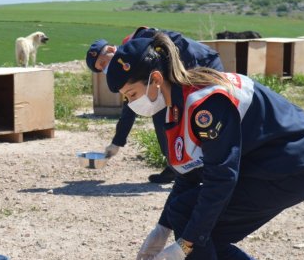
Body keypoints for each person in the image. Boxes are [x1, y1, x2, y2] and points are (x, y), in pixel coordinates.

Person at [103, 31, 304, 260]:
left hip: (288, 167)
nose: (131, 103)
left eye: (131, 93)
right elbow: (189, 174)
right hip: (266, 166)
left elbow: (221, 178)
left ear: (155, 79)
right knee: (202, 236)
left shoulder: (204, 101)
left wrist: (184, 245)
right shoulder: (173, 102)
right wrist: (162, 229)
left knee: (197, 232)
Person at [86, 27, 223, 183]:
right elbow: (129, 108)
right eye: (101, 69)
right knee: (160, 112)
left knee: (199, 117)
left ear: (111, 49)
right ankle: (176, 164)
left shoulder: (136, 51)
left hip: (201, 64)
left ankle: (209, 166)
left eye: (103, 63)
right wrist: (117, 142)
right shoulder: (126, 67)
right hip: (176, 76)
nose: (106, 69)